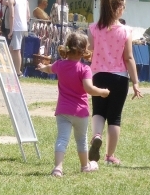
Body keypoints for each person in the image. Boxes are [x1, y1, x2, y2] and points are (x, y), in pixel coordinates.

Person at [37, 33, 110, 177]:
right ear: (83, 51)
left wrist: (42, 67)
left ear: (68, 48)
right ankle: (84, 166)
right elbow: (89, 89)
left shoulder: (60, 65)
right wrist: (102, 92)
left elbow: (49, 68)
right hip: (80, 112)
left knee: (62, 138)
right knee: (81, 140)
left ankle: (58, 168)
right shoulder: (85, 69)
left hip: (63, 111)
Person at [87, 0, 142, 166]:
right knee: (115, 117)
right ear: (118, 8)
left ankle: (96, 135)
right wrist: (136, 82)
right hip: (119, 78)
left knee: (98, 111)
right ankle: (110, 156)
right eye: (123, 5)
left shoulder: (93, 28)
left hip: (98, 76)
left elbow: (90, 51)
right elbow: (129, 57)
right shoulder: (126, 30)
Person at [6, 0, 29, 75]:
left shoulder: (12, 0)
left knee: (16, 49)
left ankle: (18, 71)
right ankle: (10, 69)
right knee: (11, 49)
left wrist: (11, 31)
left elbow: (11, 15)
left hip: (17, 27)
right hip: (23, 26)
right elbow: (28, 15)